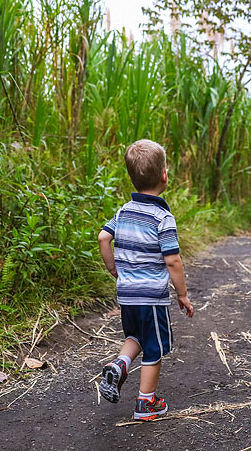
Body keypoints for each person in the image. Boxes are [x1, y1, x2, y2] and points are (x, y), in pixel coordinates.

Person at [96, 139, 195, 421]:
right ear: (164, 175)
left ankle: (120, 364)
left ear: (131, 177)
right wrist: (182, 294)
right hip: (151, 296)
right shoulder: (162, 217)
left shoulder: (123, 211)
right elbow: (173, 260)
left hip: (126, 293)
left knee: (135, 337)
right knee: (153, 348)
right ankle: (146, 403)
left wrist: (113, 268)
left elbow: (104, 237)